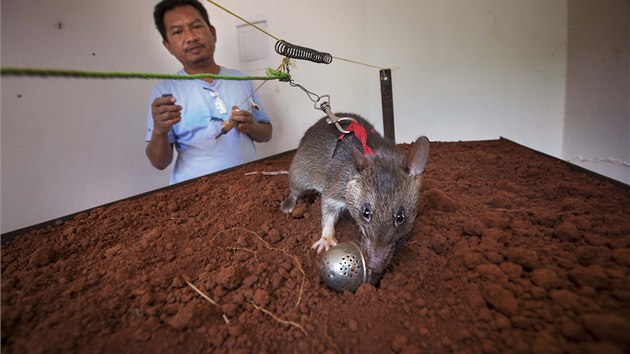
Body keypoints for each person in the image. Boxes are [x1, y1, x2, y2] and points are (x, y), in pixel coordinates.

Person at [146, 0, 273, 184]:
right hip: (197, 195)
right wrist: (159, 130)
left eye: (196, 26)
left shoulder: (241, 79)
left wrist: (251, 126)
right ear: (168, 46)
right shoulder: (165, 91)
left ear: (213, 33)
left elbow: (267, 134)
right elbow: (160, 163)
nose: (190, 37)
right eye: (178, 32)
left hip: (248, 186)